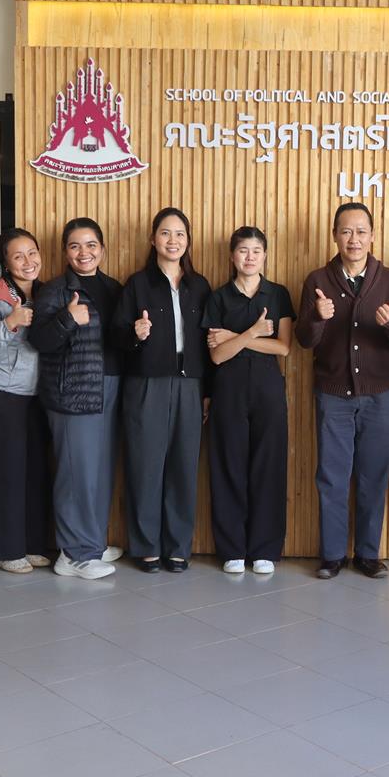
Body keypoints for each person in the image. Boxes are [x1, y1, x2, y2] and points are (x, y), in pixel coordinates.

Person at [296, 203, 389, 580]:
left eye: (361, 231)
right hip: (333, 395)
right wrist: (318, 317)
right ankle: (332, 555)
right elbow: (304, 339)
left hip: (380, 395)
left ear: (373, 236)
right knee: (331, 476)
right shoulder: (318, 279)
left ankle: (367, 553)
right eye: (346, 231)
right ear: (335, 235)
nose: (354, 239)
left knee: (373, 476)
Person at [115, 208, 212, 573]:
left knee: (184, 467)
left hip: (190, 384)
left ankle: (178, 547)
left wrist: (207, 391)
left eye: (180, 234)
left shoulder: (199, 286)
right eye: (166, 233)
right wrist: (134, 334)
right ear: (153, 239)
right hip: (146, 384)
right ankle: (146, 546)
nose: (173, 240)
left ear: (188, 241)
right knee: (145, 466)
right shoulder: (137, 284)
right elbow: (116, 336)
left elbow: (208, 343)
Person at [30, 218, 123, 580]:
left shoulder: (113, 288)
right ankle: (73, 554)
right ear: (65, 252)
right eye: (75, 246)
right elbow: (39, 340)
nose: (84, 253)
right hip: (73, 391)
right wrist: (67, 318)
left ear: (102, 248)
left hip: (109, 387)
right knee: (76, 472)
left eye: (91, 245)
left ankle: (91, 542)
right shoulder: (55, 291)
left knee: (99, 471)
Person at [204, 226, 293, 575]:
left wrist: (236, 337)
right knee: (229, 466)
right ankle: (232, 549)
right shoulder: (218, 297)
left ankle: (265, 549)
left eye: (256, 250)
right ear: (232, 256)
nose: (250, 257)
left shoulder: (278, 294)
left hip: (268, 390)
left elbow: (283, 347)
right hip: (228, 391)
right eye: (243, 250)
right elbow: (217, 356)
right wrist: (253, 333)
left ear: (265, 255)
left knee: (268, 467)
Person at [0, 228, 54, 573]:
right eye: (18, 256)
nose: (28, 261)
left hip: (36, 393)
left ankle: (32, 544)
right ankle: (6, 549)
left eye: (32, 252)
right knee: (6, 472)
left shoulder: (44, 291)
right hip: (2, 393)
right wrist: (10, 323)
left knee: (34, 470)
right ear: (5, 263)